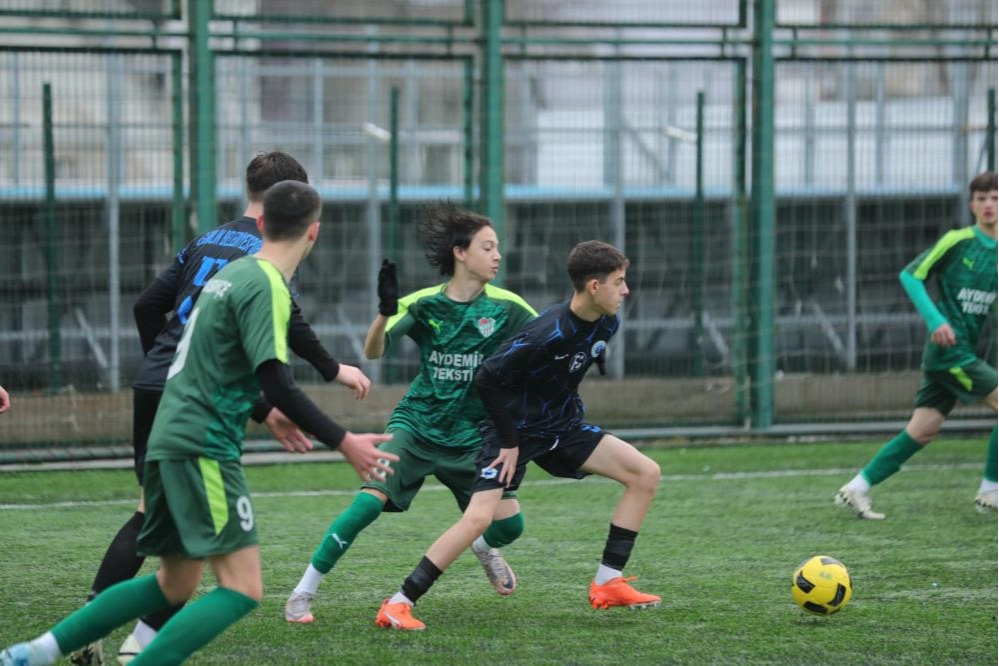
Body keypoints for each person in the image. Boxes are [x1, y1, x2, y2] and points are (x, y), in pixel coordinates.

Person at [0, 181, 398, 666]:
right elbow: (277, 383)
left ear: (261, 223)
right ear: (314, 231)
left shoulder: (234, 274)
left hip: (170, 436)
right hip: (202, 446)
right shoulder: (267, 285)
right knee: (243, 589)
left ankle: (33, 653)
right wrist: (344, 440)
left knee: (175, 583)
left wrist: (303, 392)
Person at [373, 240, 662, 631]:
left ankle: (608, 581)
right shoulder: (545, 332)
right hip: (512, 432)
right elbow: (487, 379)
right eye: (619, 282)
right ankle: (398, 603)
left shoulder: (608, 322)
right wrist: (509, 442)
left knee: (645, 473)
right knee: (478, 520)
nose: (626, 290)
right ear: (594, 287)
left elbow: (575, 361)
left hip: (561, 427)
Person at [284, 204, 537, 624]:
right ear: (460, 253)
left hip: (473, 438)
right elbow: (373, 351)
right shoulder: (423, 304)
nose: (497, 256)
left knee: (510, 528)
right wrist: (385, 313)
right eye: (487, 247)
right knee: (368, 503)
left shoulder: (508, 307)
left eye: (497, 248)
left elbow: (547, 342)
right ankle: (303, 591)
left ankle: (483, 546)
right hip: (417, 425)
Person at [835, 171, 999, 519]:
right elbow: (910, 275)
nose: (989, 205)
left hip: (960, 354)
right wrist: (935, 320)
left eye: (995, 198)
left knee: (923, 430)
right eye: (982, 199)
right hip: (950, 352)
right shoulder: (958, 241)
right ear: (972, 205)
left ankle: (857, 488)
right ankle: (990, 490)